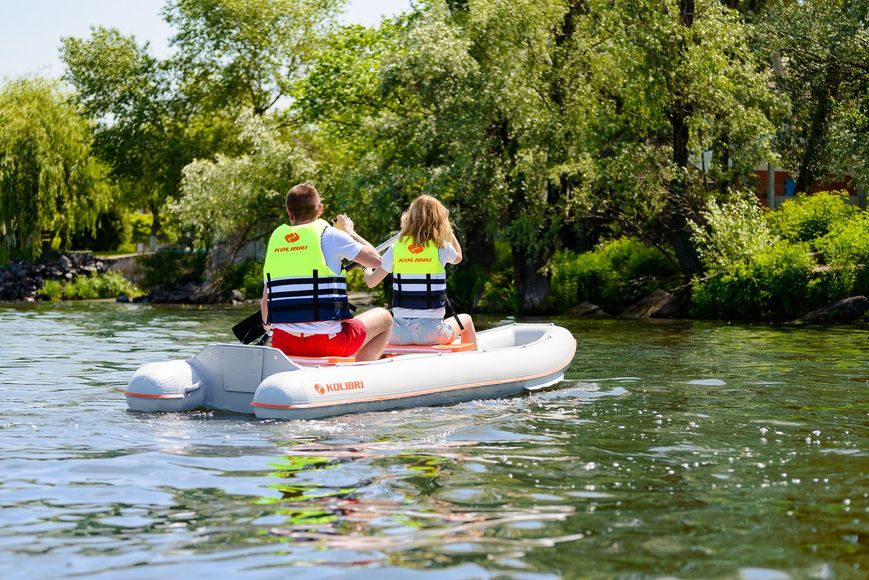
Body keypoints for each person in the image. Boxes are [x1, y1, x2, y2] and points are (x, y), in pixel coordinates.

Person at [261, 183, 391, 361]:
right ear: (320, 209)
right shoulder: (330, 235)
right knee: (385, 318)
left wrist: (267, 327)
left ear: (289, 212)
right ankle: (361, 375)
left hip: (283, 344)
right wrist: (349, 231)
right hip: (327, 344)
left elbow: (266, 299)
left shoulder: (276, 240)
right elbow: (377, 260)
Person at [364, 195, 477, 348]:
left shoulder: (396, 248)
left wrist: (366, 268)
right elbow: (459, 257)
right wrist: (449, 231)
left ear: (409, 218)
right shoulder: (441, 247)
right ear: (439, 221)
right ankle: (470, 363)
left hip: (398, 333)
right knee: (466, 320)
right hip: (432, 332)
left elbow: (371, 282)